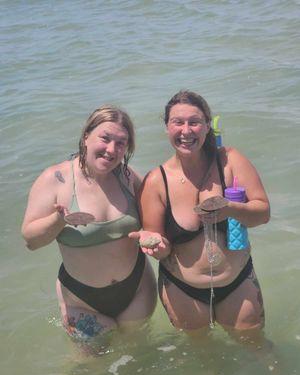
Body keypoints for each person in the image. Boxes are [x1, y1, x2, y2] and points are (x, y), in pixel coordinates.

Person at [130, 90, 270, 340]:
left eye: (194, 122)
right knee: (203, 360)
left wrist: (230, 208)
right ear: (166, 127)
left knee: (259, 349)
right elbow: (161, 247)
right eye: (178, 122)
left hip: (238, 283)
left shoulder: (229, 161)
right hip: (183, 291)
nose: (186, 131)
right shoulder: (156, 182)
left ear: (207, 125)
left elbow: (263, 214)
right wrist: (154, 245)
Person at [22, 105, 157, 344]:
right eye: (105, 138)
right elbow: (31, 241)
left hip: (137, 289)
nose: (111, 149)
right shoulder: (55, 179)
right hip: (82, 300)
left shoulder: (129, 177)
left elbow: (155, 218)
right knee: (89, 371)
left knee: (138, 356)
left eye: (121, 143)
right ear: (86, 136)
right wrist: (58, 220)